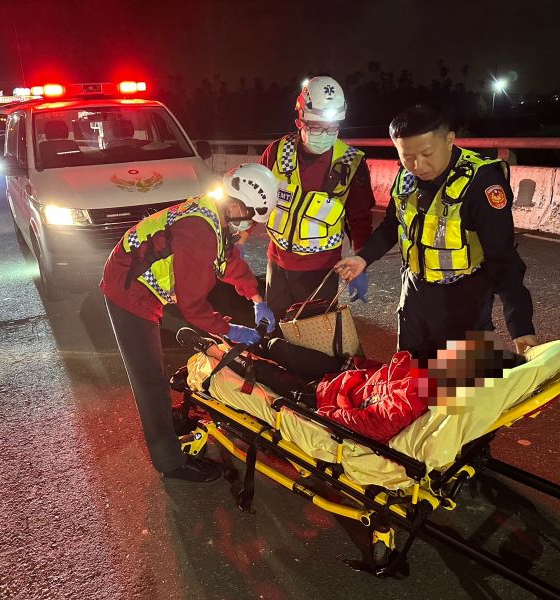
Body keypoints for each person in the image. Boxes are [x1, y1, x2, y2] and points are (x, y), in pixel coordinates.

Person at [101, 163, 279, 482]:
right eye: (251, 219)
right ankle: (170, 462)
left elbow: (228, 261)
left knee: (153, 373)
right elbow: (193, 307)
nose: (250, 228)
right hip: (128, 290)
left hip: (134, 277)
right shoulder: (199, 232)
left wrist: (256, 299)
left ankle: (165, 420)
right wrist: (231, 330)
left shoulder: (216, 212)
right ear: (237, 205)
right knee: (150, 380)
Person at [335, 104, 540, 358]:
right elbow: (392, 224)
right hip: (414, 295)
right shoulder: (406, 177)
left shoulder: (481, 182)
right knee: (411, 371)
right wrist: (363, 258)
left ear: (449, 140)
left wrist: (521, 327)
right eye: (407, 156)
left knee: (460, 376)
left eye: (427, 153)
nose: (418, 165)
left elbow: (503, 258)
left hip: (464, 300)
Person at [177, 328, 525, 444]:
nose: (453, 351)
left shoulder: (421, 392)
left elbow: (373, 423)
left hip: (325, 395)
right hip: (348, 376)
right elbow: (386, 374)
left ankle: (214, 350)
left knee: (265, 374)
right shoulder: (429, 377)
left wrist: (327, 413)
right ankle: (244, 343)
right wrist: (354, 366)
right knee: (279, 349)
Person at [258, 76, 376, 322]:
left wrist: (362, 261)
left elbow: (360, 219)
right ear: (299, 121)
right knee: (275, 329)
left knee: (313, 335)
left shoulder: (351, 163)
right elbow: (255, 196)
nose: (324, 134)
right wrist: (239, 237)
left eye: (332, 127)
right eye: (315, 126)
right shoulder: (277, 152)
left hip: (320, 271)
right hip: (277, 264)